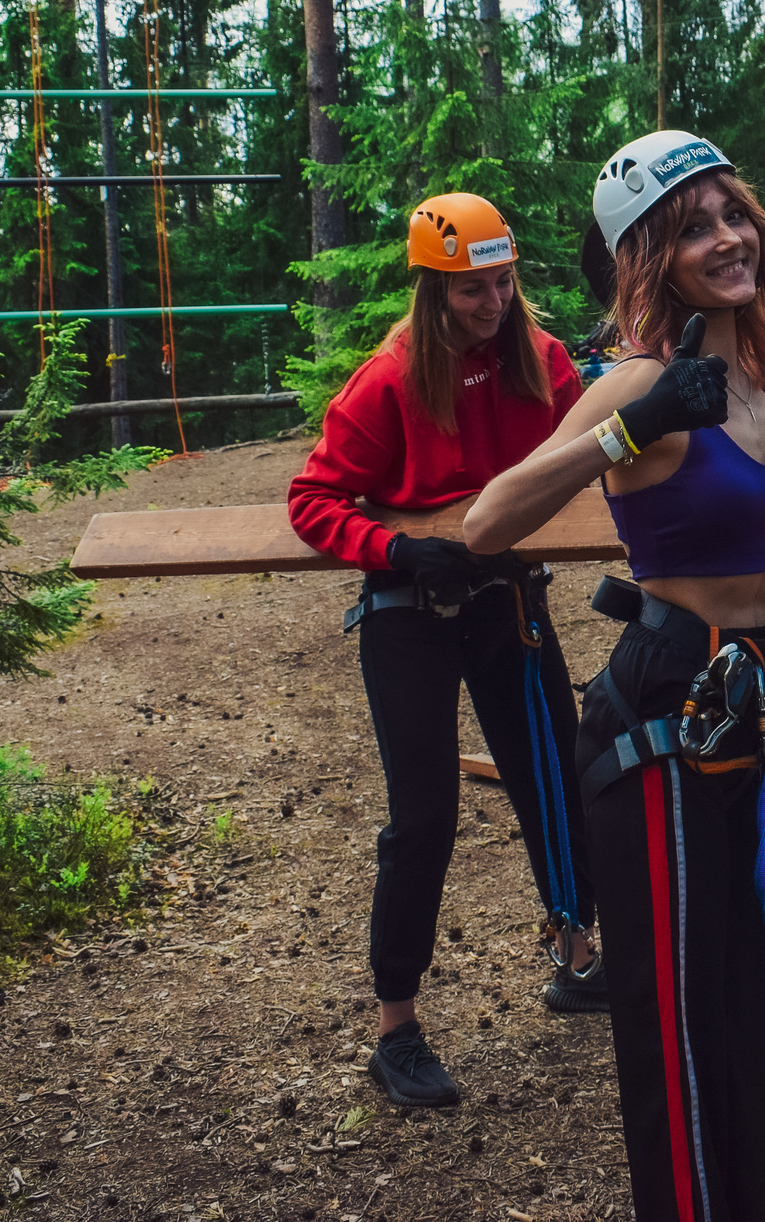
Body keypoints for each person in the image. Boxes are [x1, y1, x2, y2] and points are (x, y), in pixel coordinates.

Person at [462, 132, 765, 1222]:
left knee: (737, 1008)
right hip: (662, 712)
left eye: (733, 213)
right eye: (692, 227)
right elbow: (489, 524)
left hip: (748, 702)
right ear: (652, 257)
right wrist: (630, 424)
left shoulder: (751, 379)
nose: (727, 238)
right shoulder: (646, 382)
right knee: (676, 1021)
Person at [285, 192, 602, 1112]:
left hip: (506, 600)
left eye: (504, 282)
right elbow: (312, 500)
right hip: (407, 610)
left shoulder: (543, 364)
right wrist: (395, 548)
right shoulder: (387, 380)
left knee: (556, 778)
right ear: (433, 289)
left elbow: (589, 459)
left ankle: (576, 956)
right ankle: (397, 1029)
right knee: (424, 816)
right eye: (473, 290)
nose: (494, 302)